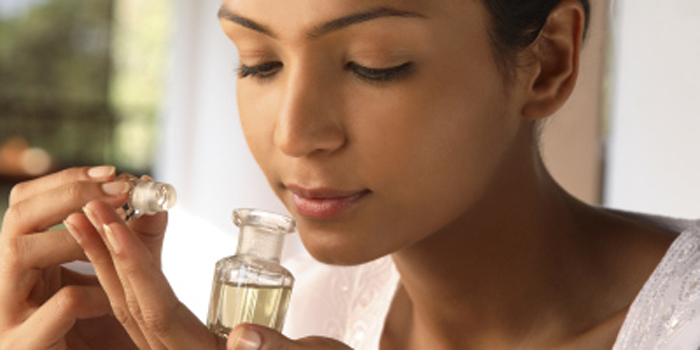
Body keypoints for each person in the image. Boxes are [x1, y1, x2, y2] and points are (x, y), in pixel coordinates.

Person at [1, 0, 699, 349]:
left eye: (375, 64)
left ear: (546, 63)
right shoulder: (306, 308)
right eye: (258, 62)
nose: (293, 133)